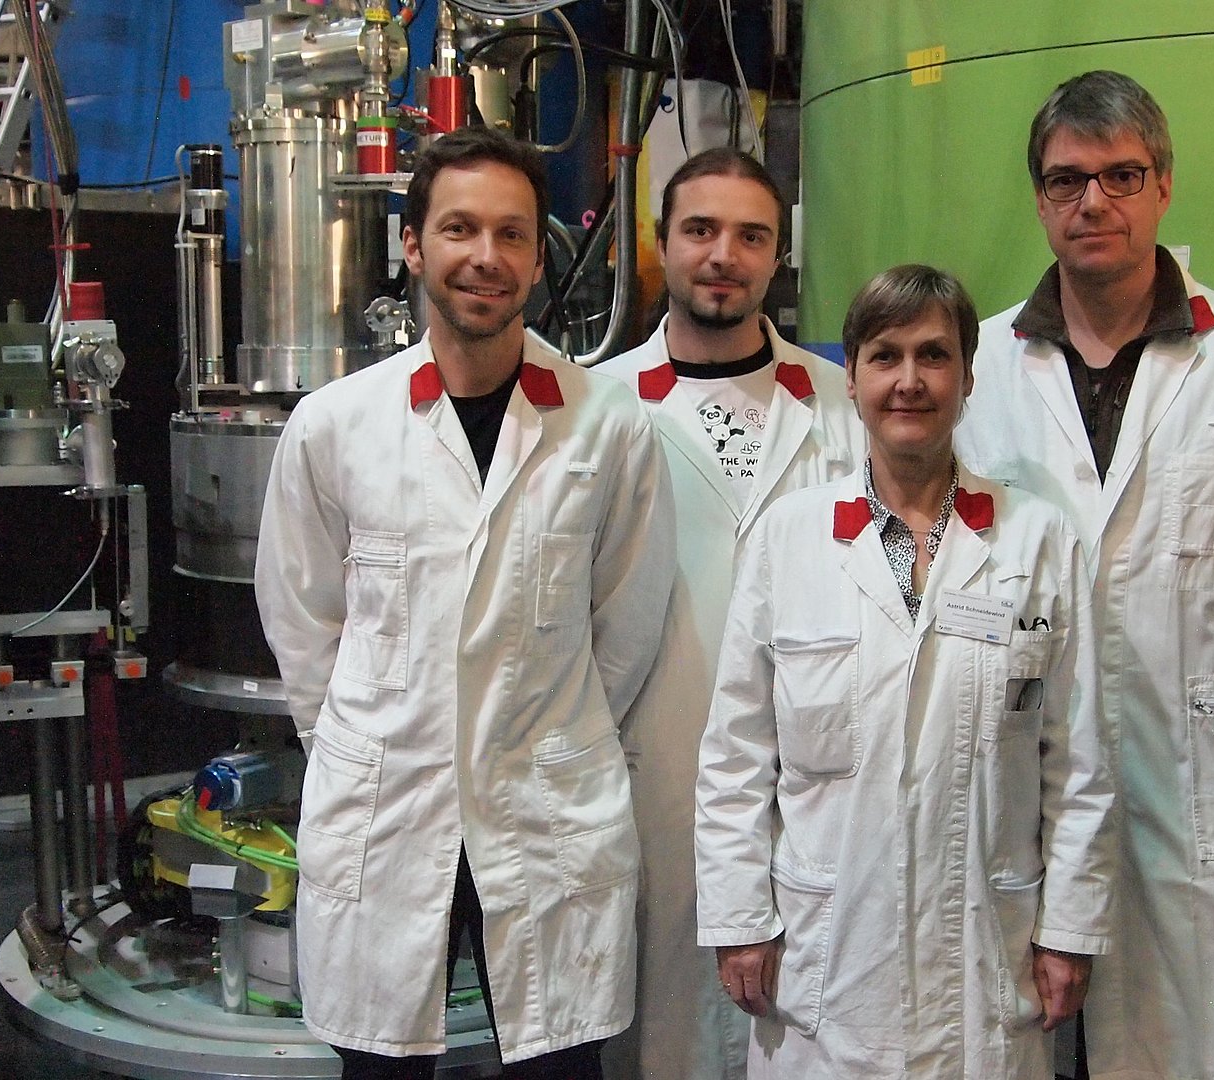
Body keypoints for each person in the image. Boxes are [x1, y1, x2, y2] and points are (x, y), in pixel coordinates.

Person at [955, 70, 1214, 1080]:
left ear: (1164, 186)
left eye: (1120, 175)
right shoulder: (984, 366)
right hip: (1025, 775)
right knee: (1013, 1041)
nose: (1092, 202)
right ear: (1040, 198)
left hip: (1201, 782)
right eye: (1065, 181)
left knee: (1191, 1050)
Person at [254, 127, 676, 1079]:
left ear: (536, 257)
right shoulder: (337, 425)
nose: (485, 257)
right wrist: (362, 741)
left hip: (545, 803)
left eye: (511, 235)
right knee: (381, 1062)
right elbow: (302, 615)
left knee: (560, 1063)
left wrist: (541, 732)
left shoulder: (606, 426)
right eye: (459, 229)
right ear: (413, 245)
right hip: (387, 804)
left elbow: (629, 618)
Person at [696, 264, 1117, 1079]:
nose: (910, 381)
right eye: (885, 357)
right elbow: (736, 756)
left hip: (985, 960)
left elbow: (1081, 763)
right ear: (850, 379)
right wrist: (741, 917)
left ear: (967, 377)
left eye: (934, 356)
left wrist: (1069, 929)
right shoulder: (789, 540)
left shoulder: (1038, 541)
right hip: (825, 958)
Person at [591, 146, 863, 1080]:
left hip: (823, 778)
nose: (724, 255)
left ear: (779, 255)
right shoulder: (599, 409)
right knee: (664, 1033)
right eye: (700, 230)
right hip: (653, 773)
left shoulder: (847, 405)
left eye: (752, 236)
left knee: (812, 1029)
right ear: (662, 243)